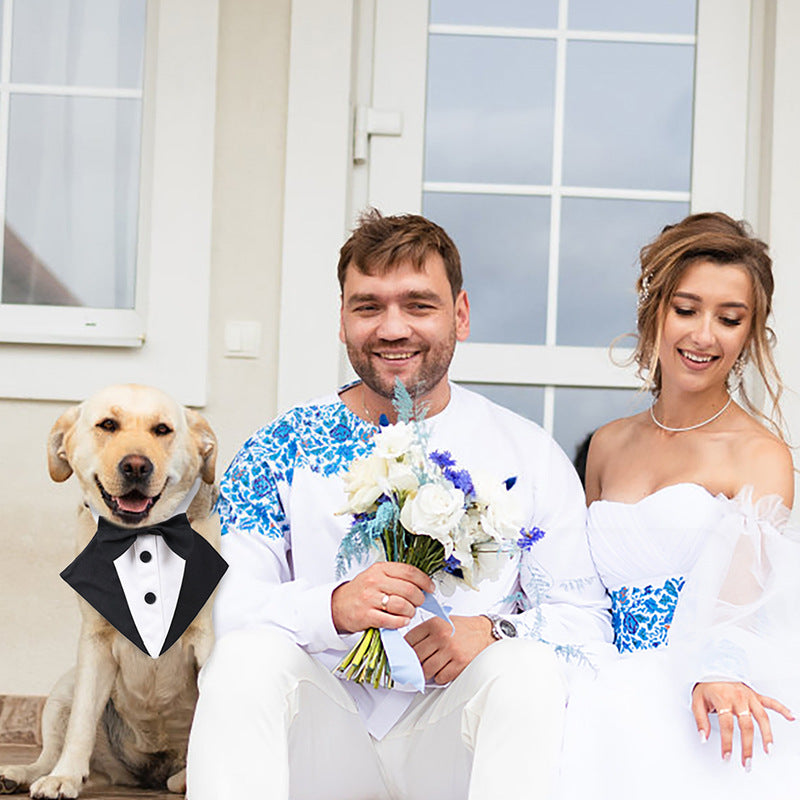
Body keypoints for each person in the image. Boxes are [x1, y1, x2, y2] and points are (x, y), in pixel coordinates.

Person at [185, 210, 613, 800]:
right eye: (368, 306)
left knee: (528, 668)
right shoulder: (279, 446)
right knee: (241, 660)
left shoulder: (527, 453)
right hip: (324, 731)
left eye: (418, 305)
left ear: (459, 315)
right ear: (341, 319)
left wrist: (492, 629)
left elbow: (585, 622)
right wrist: (332, 607)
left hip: (451, 739)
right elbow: (228, 609)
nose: (392, 328)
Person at [557, 212, 800, 799]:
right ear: (654, 311)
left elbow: (742, 599)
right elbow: (577, 584)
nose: (704, 336)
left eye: (729, 318)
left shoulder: (760, 455)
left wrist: (718, 669)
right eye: (686, 309)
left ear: (749, 332)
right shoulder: (607, 446)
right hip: (592, 692)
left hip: (702, 696)